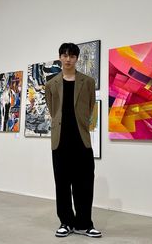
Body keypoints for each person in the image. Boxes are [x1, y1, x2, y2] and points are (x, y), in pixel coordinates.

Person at [45, 43, 102, 238]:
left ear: (77, 58)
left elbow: (91, 107)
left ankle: (84, 224)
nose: (68, 59)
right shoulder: (51, 84)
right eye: (64, 55)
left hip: (81, 140)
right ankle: (66, 222)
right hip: (60, 141)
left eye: (72, 56)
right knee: (62, 184)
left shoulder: (88, 81)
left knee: (85, 184)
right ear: (60, 57)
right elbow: (53, 111)